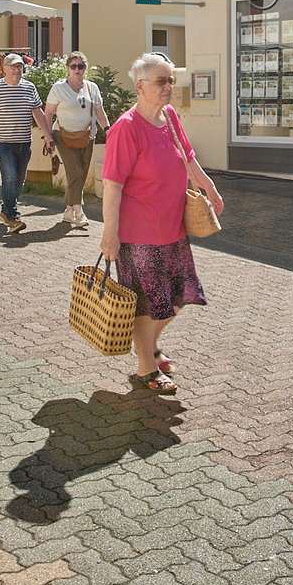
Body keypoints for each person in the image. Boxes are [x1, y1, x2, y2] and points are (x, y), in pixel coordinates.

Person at [100, 52, 225, 395]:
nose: (169, 86)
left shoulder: (169, 117)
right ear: (140, 87)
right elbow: (112, 185)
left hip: (173, 229)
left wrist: (209, 187)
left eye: (171, 79)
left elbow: (187, 157)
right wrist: (109, 234)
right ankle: (146, 369)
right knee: (147, 305)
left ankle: (149, 348)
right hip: (139, 236)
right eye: (161, 81)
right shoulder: (126, 129)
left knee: (178, 298)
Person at [45, 52, 111, 229]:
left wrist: (108, 130)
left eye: (80, 66)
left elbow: (99, 111)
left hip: (87, 136)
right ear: (67, 69)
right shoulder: (59, 88)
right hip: (63, 135)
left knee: (80, 173)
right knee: (75, 171)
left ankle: (68, 210)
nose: (77, 70)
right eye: (73, 66)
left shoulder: (91, 88)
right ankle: (79, 210)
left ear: (85, 69)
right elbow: (48, 113)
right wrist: (48, 136)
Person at [0, 53, 44, 233]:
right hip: (2, 142)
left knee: (19, 181)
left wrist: (48, 135)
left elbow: (38, 113)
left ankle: (5, 211)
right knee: (10, 177)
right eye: (13, 66)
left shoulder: (29, 88)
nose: (17, 69)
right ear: (4, 69)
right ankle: (12, 215)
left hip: (24, 142)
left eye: (20, 66)